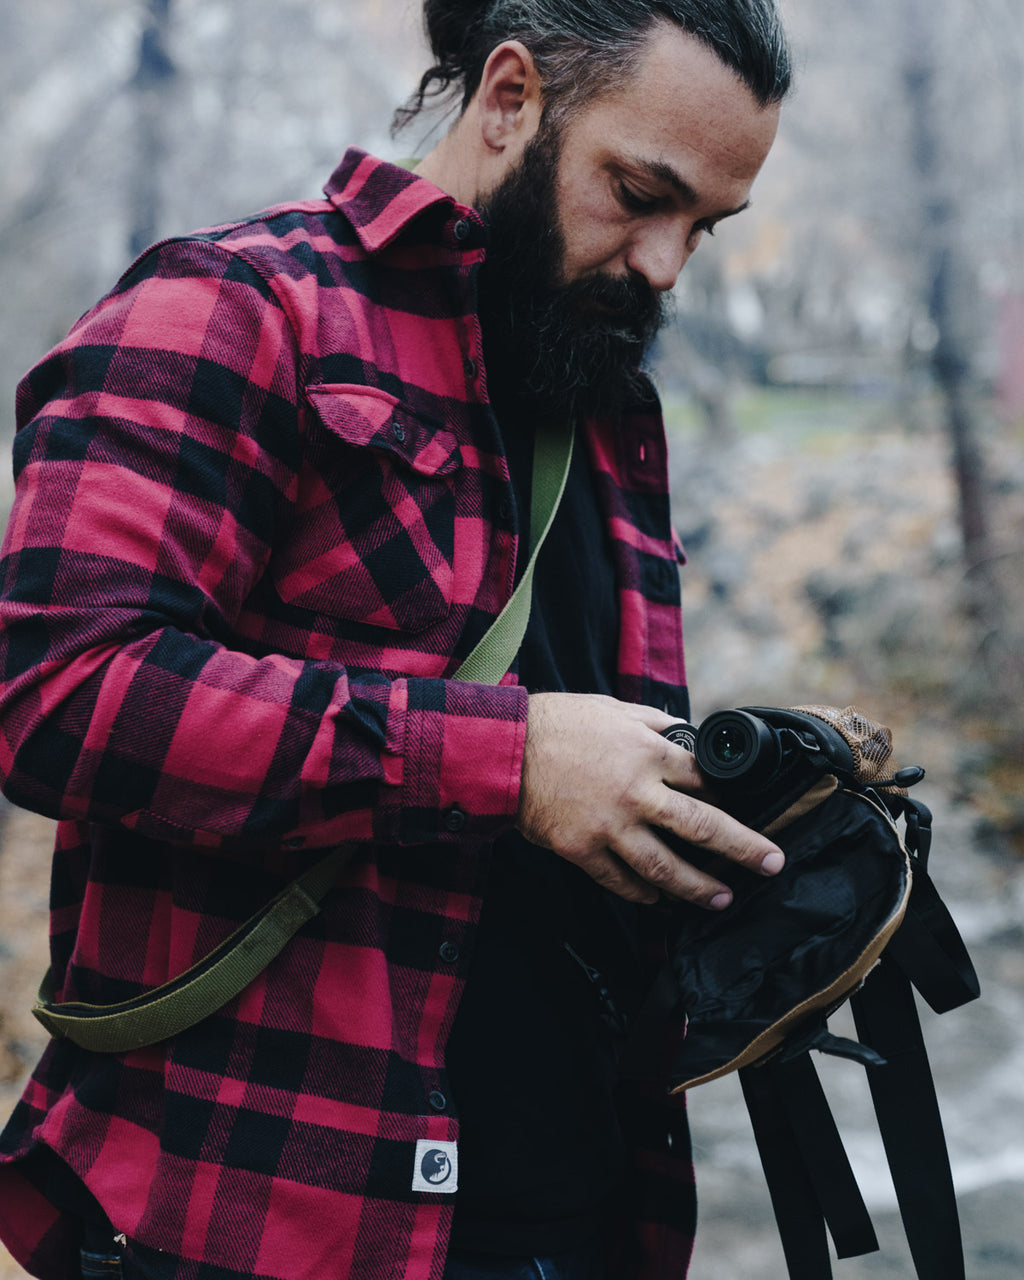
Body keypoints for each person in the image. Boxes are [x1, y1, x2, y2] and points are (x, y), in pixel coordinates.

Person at [0, 1, 790, 1276]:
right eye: (641, 193)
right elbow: (58, 692)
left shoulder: (596, 398)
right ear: (511, 98)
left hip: (579, 1204)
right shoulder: (235, 310)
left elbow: (576, 788)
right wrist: (505, 759)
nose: (666, 266)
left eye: (703, 225)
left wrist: (755, 837)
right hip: (258, 1214)